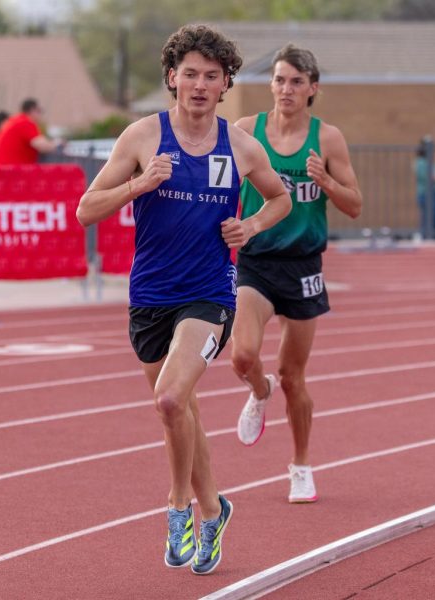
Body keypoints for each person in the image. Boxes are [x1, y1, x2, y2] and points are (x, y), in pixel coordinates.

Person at [76, 25, 291, 575]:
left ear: (225, 85)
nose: (199, 85)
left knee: (171, 400)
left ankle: (178, 508)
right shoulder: (141, 137)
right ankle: (215, 510)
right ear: (172, 77)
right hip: (149, 297)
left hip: (209, 294)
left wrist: (252, 225)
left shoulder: (239, 145)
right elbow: (86, 210)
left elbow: (280, 198)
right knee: (183, 414)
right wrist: (137, 186)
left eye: (211, 77)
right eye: (190, 74)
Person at [231, 44, 362, 504]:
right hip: (257, 262)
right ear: (271, 84)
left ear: (312, 89)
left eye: (296, 82)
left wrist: (325, 182)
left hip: (304, 265)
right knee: (242, 356)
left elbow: (354, 204)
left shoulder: (327, 139)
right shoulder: (247, 131)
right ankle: (257, 389)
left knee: (294, 376)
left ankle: (301, 465)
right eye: (280, 80)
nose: (286, 89)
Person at [0, 98, 63, 166]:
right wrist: (57, 144)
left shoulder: (14, 121)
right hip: (13, 172)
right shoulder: (25, 123)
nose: (41, 115)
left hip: (3, 170)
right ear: (32, 110)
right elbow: (43, 146)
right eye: (39, 111)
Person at [414, 138, 435, 239]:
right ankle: (425, 236)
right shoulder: (420, 162)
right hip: (425, 193)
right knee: (427, 217)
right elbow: (430, 176)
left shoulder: (432, 162)